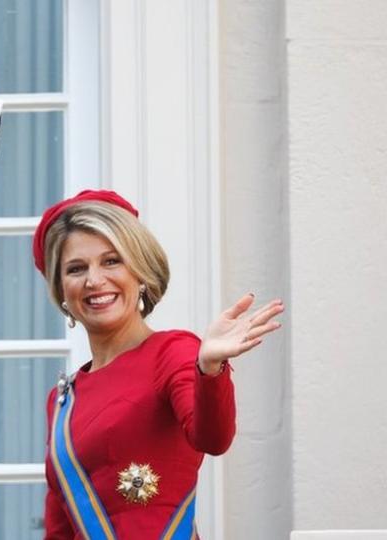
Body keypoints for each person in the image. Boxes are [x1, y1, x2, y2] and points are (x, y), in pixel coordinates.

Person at [35, 190, 284, 539]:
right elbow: (59, 529)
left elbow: (213, 438)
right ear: (61, 290)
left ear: (141, 274)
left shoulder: (174, 352)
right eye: (76, 268)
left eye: (112, 261)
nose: (94, 280)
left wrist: (210, 369)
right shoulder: (62, 399)